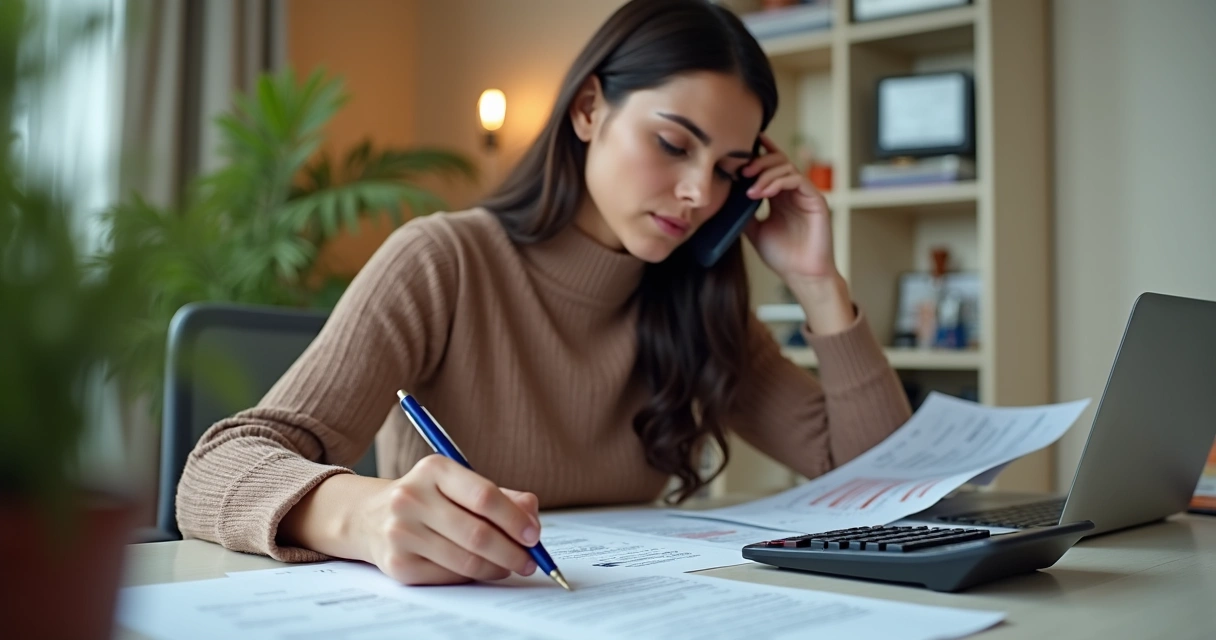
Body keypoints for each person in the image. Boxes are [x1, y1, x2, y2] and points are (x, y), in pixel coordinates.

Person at [176, 0, 911, 587]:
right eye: (673, 144)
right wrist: (363, 516)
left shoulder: (698, 304)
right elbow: (216, 471)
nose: (698, 192)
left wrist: (817, 282)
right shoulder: (445, 261)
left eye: (727, 169)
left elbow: (886, 484)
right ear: (589, 108)